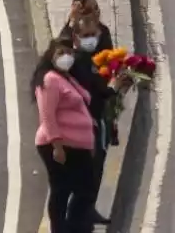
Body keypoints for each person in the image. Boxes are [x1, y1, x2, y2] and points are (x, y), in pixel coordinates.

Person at [64, 15, 126, 227]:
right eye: (85, 35)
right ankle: (77, 220)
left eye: (93, 35)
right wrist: (113, 88)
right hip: (85, 126)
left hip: (95, 122)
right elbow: (96, 91)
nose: (90, 39)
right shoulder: (79, 62)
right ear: (76, 37)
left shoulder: (89, 61)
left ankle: (86, 213)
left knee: (95, 171)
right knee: (87, 176)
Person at [33, 35, 98, 233]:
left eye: (70, 53)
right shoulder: (50, 80)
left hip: (77, 146)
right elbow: (47, 115)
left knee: (82, 189)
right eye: (61, 52)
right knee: (63, 190)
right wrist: (57, 145)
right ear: (51, 55)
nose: (66, 57)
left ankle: (71, 228)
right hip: (61, 145)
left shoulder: (66, 78)